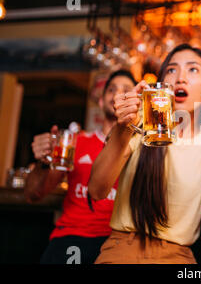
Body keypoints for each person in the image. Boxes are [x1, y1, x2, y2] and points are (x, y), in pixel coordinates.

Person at [87, 44, 201, 264]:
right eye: (171, 70)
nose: (180, 78)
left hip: (178, 256)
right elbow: (96, 190)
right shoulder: (140, 122)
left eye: (193, 70)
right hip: (122, 250)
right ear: (162, 85)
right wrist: (123, 128)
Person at [24, 69, 137, 264]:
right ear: (101, 102)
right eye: (111, 90)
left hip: (118, 242)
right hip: (72, 236)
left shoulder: (142, 147)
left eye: (126, 90)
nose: (118, 94)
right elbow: (34, 194)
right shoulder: (75, 143)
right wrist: (44, 162)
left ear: (136, 102)